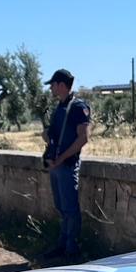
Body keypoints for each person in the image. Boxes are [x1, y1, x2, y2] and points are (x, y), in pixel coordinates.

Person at [42, 68, 91, 260]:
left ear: (61, 85)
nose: (51, 88)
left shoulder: (78, 107)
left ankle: (72, 249)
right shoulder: (60, 107)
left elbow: (83, 138)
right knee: (62, 207)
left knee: (70, 208)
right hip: (56, 164)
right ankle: (62, 245)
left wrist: (61, 158)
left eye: (53, 85)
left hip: (67, 164)